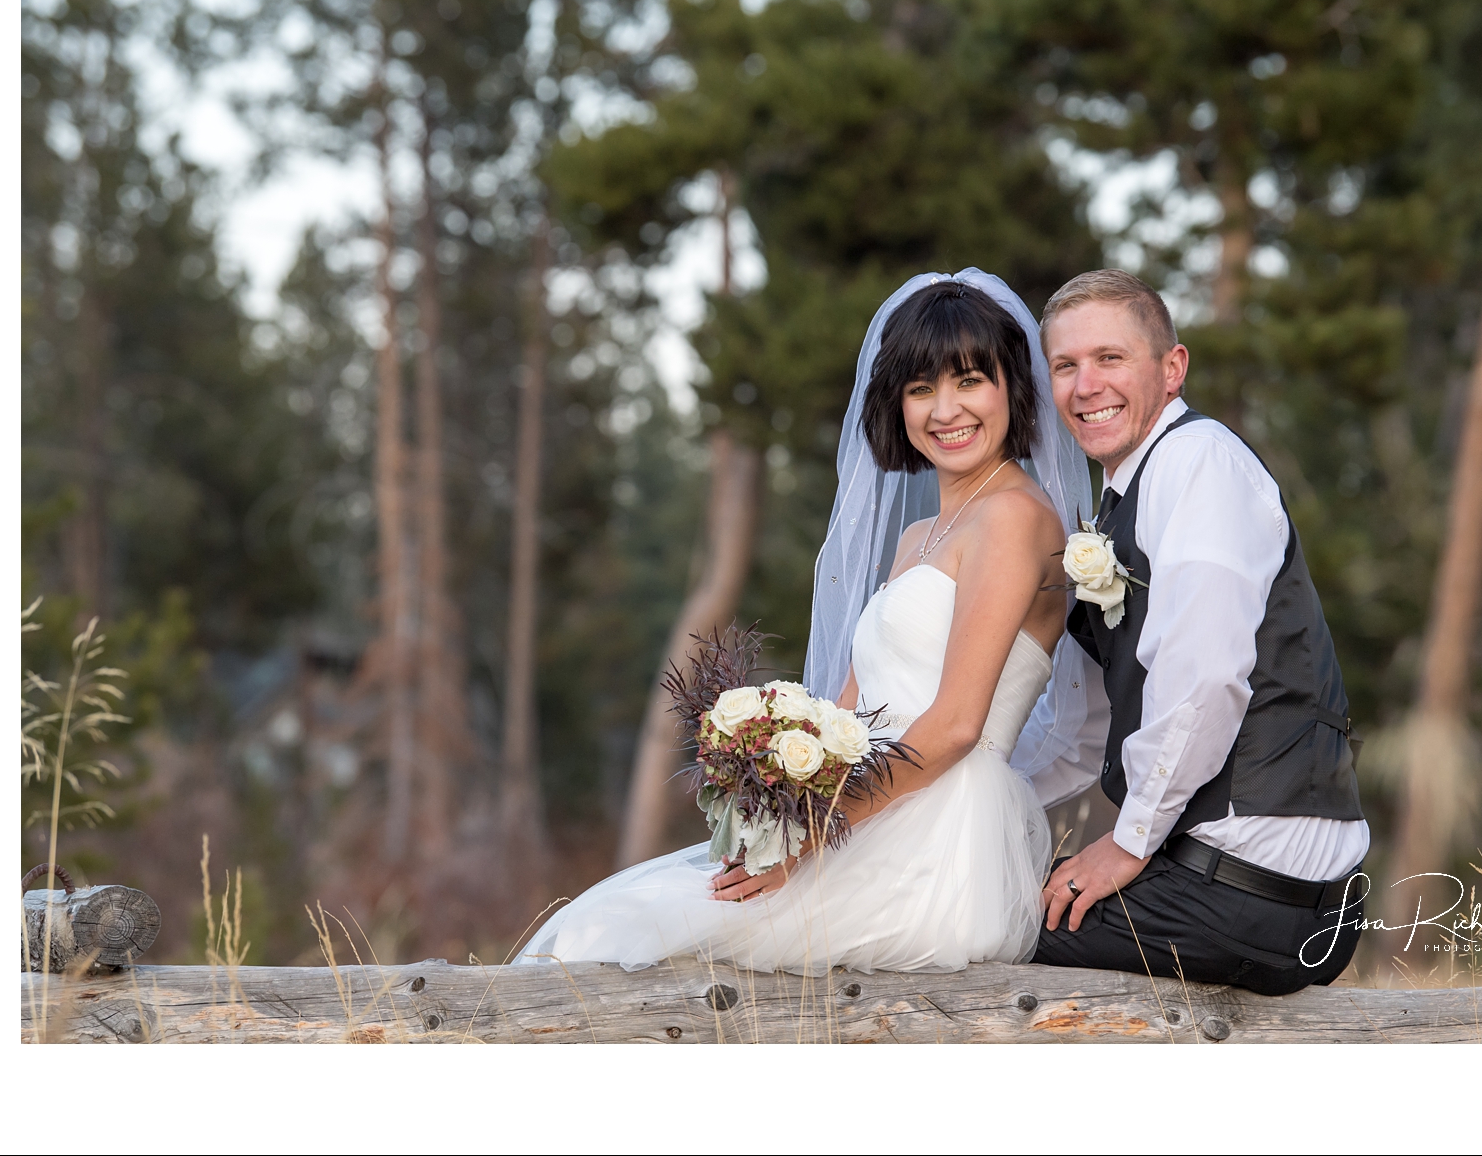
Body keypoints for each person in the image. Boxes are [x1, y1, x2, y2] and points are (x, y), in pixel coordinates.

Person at [515, 270, 1095, 974]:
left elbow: (956, 723)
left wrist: (812, 835)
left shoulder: (1015, 518)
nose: (946, 409)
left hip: (938, 834)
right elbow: (847, 711)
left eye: (969, 380)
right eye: (920, 389)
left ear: (1012, 386)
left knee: (629, 930)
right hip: (866, 815)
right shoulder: (920, 536)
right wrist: (773, 811)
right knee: (612, 920)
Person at [1034, 269, 1370, 996]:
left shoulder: (1198, 461)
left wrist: (1126, 844)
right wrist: (980, 800)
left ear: (1172, 367)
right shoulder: (1130, 494)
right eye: (1065, 365)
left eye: (1110, 358)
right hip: (1250, 887)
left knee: (975, 936)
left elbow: (1208, 673)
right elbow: (1096, 727)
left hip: (1257, 891)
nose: (1085, 385)